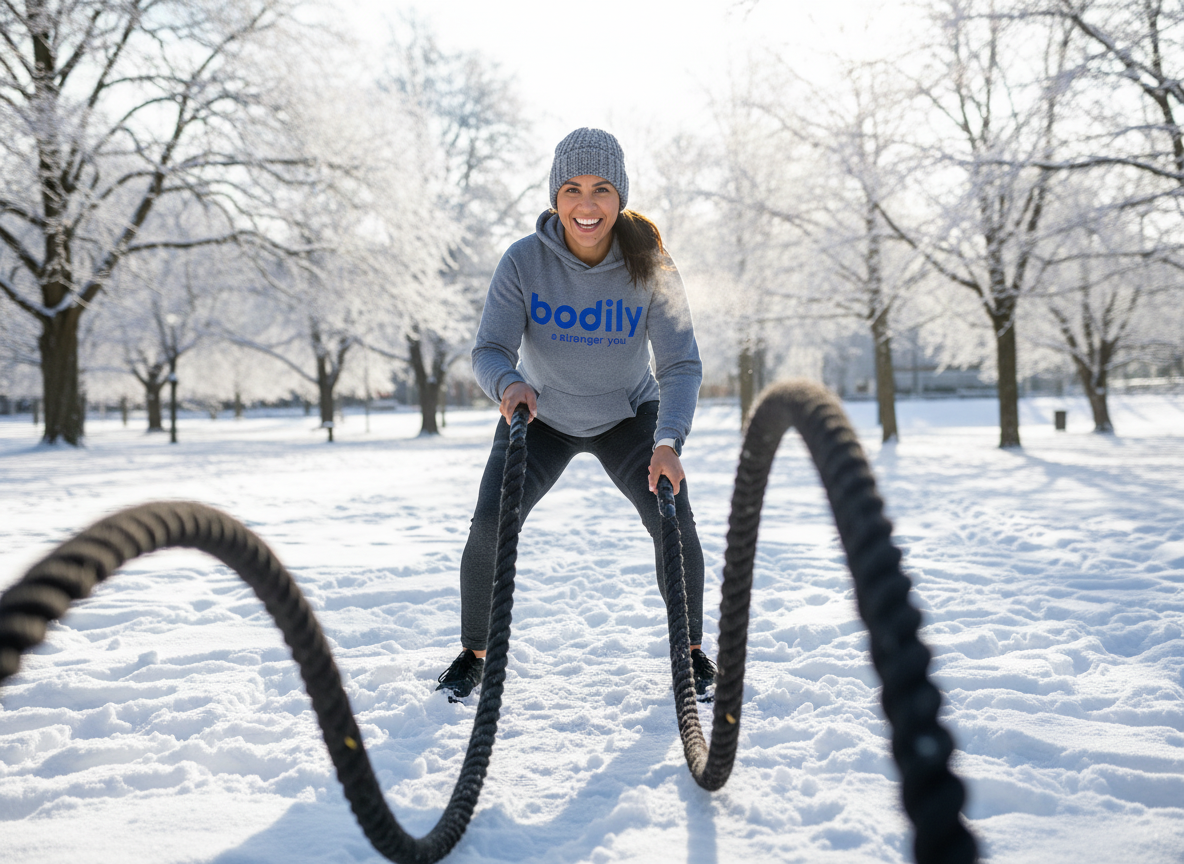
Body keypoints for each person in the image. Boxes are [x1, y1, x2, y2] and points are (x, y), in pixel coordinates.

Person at [435, 128, 714, 702]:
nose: (587, 204)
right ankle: (475, 653)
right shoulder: (523, 261)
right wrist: (509, 383)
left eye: (601, 189)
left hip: (629, 416)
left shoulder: (651, 264)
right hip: (540, 415)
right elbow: (490, 350)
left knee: (673, 520)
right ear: (555, 196)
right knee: (491, 523)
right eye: (572, 189)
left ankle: (689, 653)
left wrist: (668, 441)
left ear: (620, 196)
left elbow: (681, 363)